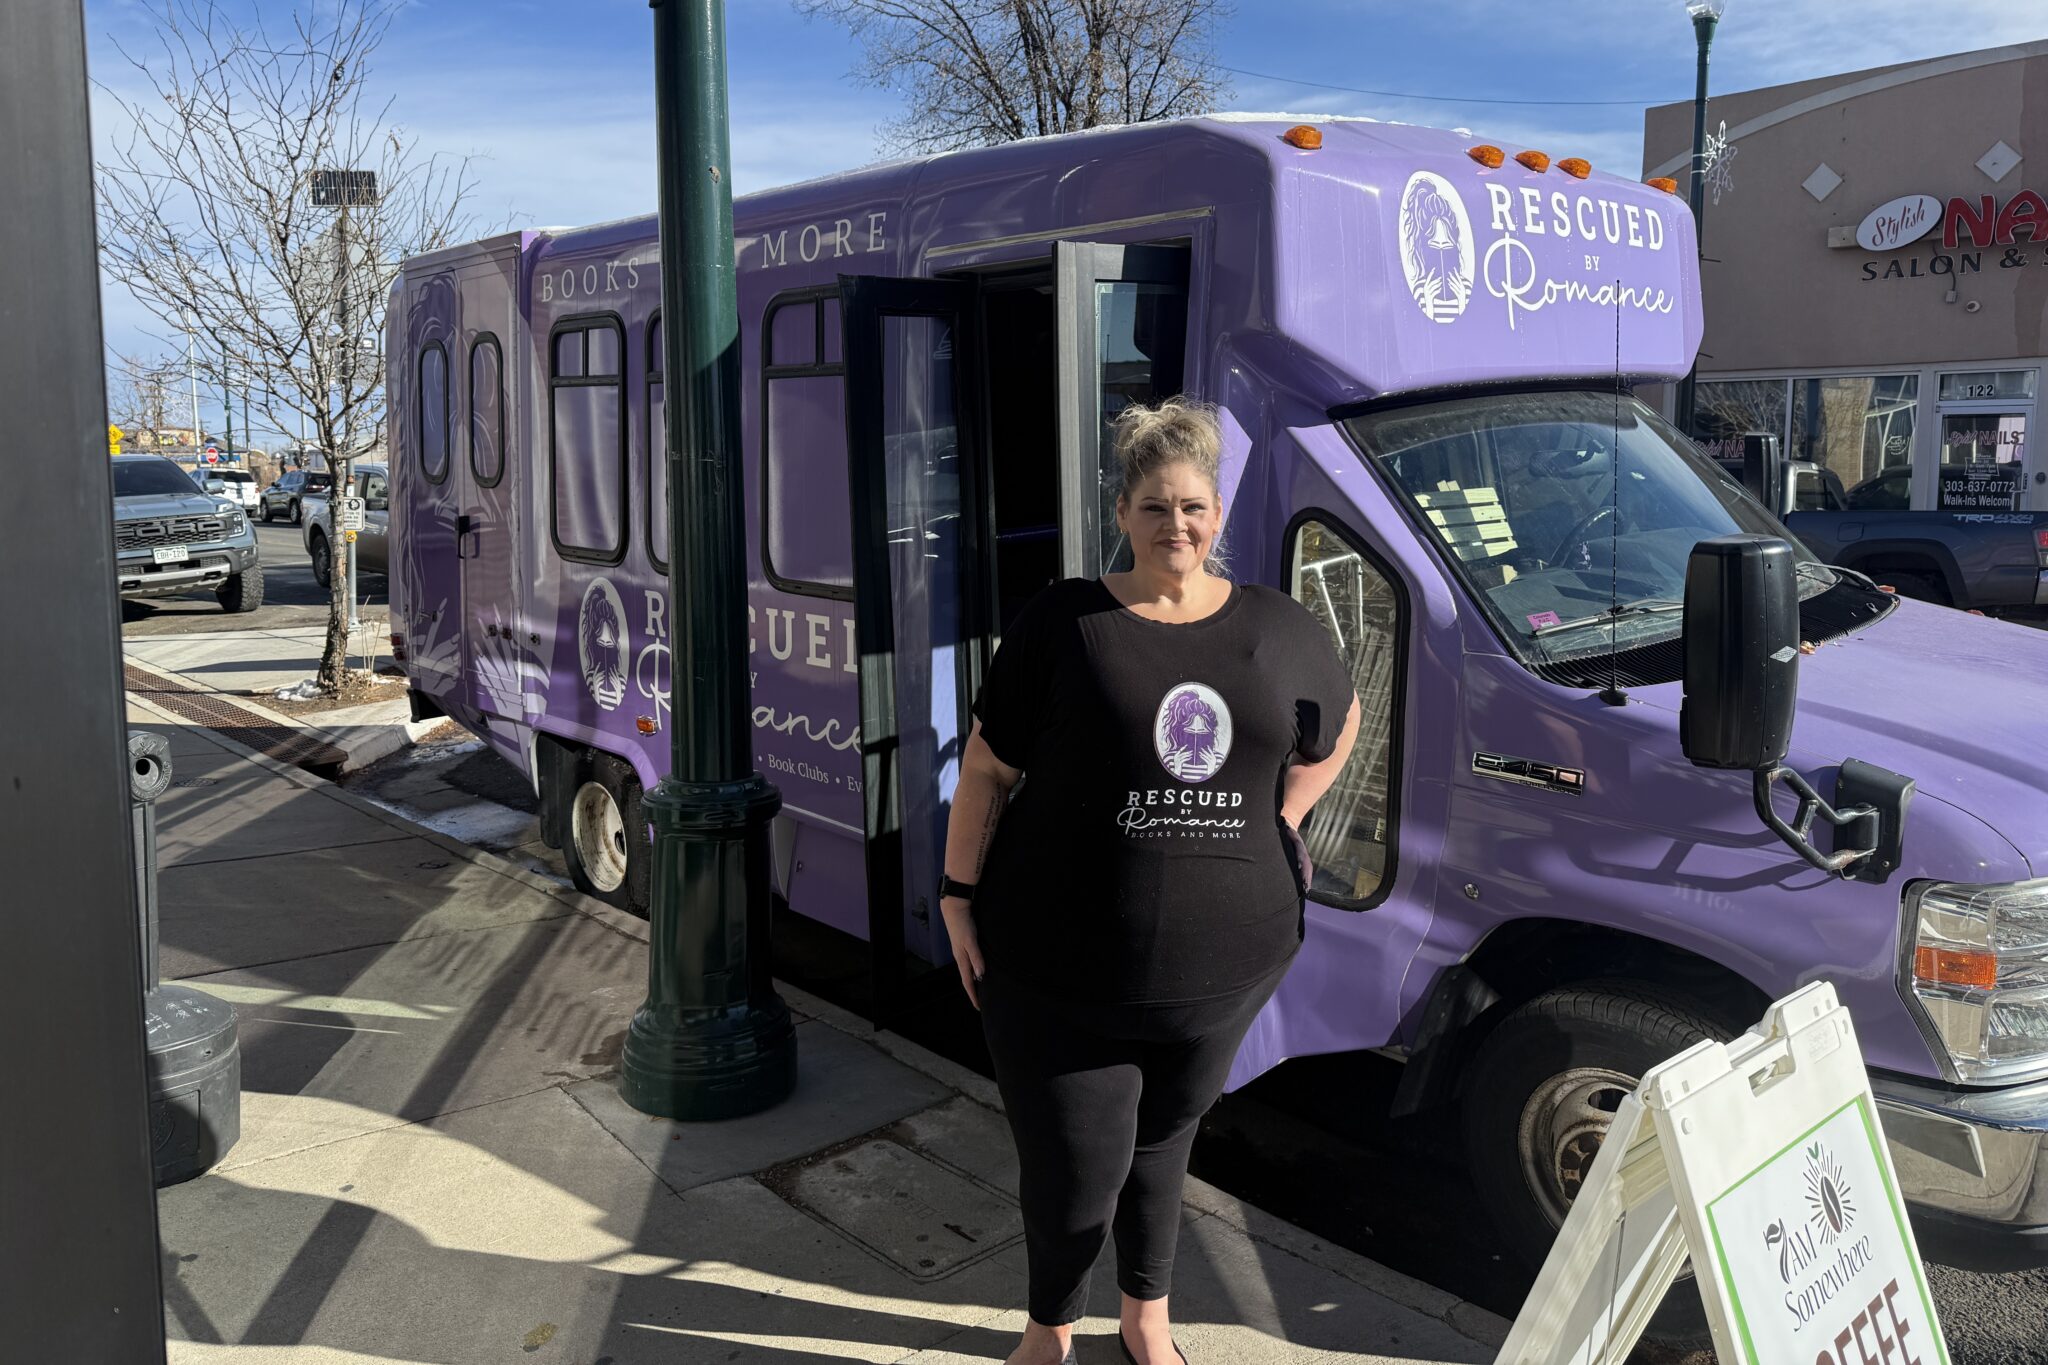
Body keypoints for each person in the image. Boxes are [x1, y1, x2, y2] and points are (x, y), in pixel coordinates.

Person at [938, 399, 1362, 1365]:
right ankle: (1050, 1333)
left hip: (1222, 977)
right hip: (1057, 972)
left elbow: (1334, 730)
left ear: (1219, 516)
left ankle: (1146, 1323)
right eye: (1155, 506)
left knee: (1165, 1147)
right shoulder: (1065, 623)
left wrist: (1284, 817)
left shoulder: (1278, 627)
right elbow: (986, 771)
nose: (1178, 525)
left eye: (1195, 507)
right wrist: (958, 895)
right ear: (1122, 514)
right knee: (1075, 1174)